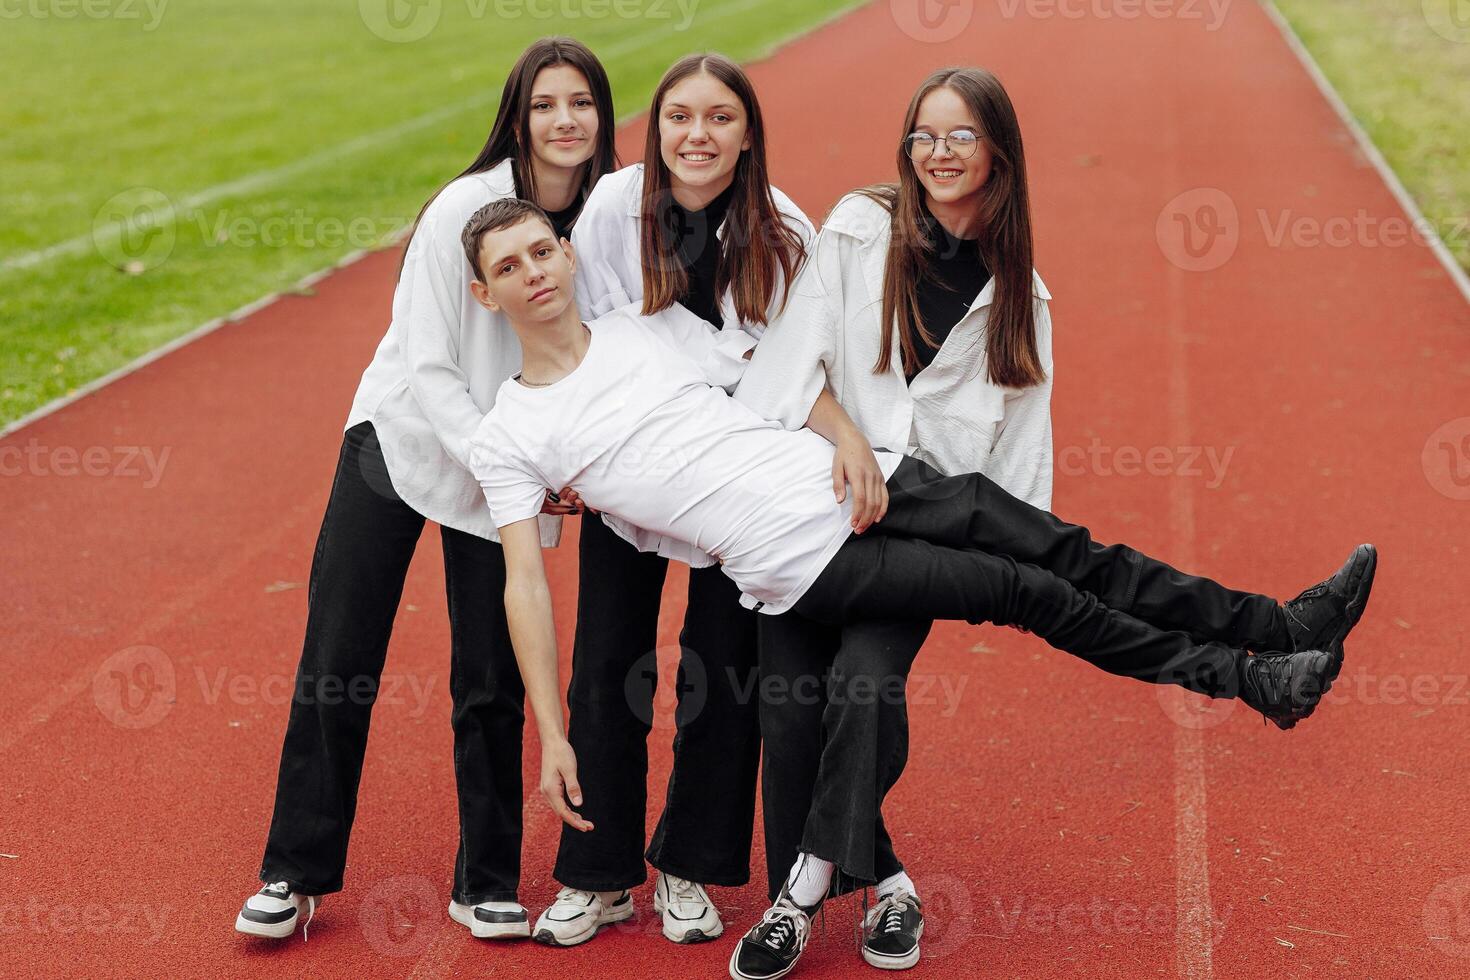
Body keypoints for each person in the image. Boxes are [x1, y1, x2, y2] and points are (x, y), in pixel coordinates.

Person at [458, 197, 1376, 978]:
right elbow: (524, 588)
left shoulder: (646, 327)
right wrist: (552, 730)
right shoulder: (513, 434)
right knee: (1029, 592)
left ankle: (1276, 621)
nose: (535, 272)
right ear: (485, 291)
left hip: (865, 477)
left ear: (570, 253)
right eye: (510, 265)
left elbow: (772, 379)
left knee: (1060, 545)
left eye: (544, 249)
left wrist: (848, 437)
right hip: (806, 560)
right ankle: (1250, 681)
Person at [233, 38, 618, 943]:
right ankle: (293, 870)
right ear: (517, 118)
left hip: (504, 467)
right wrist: (502, 456)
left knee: (490, 676)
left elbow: (598, 359)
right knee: (339, 656)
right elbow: (428, 363)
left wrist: (566, 461)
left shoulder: (603, 223)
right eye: (544, 106)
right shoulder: (465, 206)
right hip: (403, 443)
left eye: (582, 104)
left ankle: (484, 879)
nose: (565, 121)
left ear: (603, 117)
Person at [532, 52, 819, 948]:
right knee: (607, 664)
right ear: (655, 130)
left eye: (720, 118)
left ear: (748, 133)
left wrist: (703, 374)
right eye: (679, 118)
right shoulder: (614, 209)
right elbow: (603, 342)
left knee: (722, 673)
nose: (698, 136)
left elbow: (789, 374)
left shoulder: (787, 234)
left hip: (735, 486)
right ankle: (597, 874)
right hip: (627, 469)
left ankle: (687, 865)